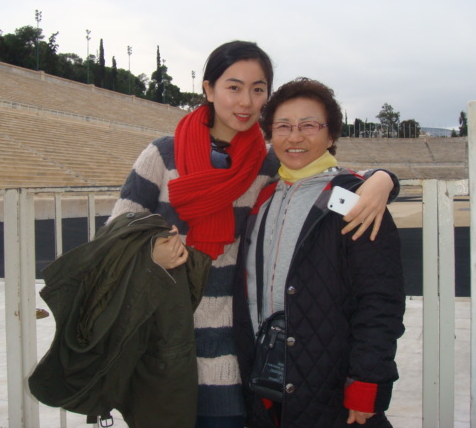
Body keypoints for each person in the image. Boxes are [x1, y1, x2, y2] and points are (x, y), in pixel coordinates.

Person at [109, 41, 398, 428]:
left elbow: (326, 174)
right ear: (209, 89)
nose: (246, 101)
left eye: (258, 89)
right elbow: (113, 240)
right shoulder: (163, 155)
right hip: (165, 348)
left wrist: (383, 180)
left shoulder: (269, 160)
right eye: (234, 87)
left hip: (237, 361)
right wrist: (149, 254)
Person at [233, 77, 405, 427]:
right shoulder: (261, 197)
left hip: (329, 385)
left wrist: (368, 384)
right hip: (263, 380)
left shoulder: (356, 199)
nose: (295, 137)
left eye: (309, 125)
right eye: (283, 126)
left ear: (330, 136)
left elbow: (380, 302)